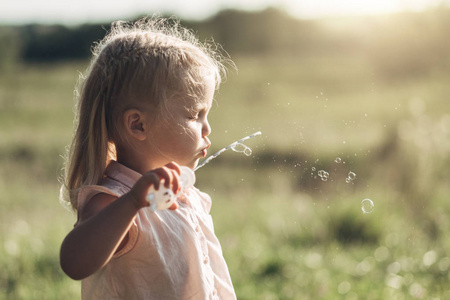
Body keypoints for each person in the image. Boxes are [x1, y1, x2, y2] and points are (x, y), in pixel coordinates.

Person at [59, 16, 236, 299]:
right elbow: (74, 262)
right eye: (195, 115)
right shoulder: (114, 200)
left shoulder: (184, 194)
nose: (208, 128)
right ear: (138, 125)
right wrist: (132, 203)